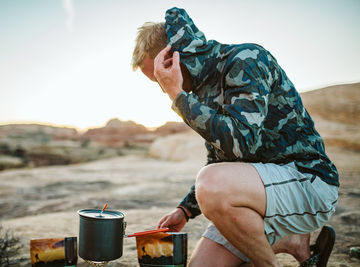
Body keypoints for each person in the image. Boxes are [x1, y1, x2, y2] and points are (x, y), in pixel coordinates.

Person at [132, 7, 339, 267]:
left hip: (307, 182)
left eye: (160, 79)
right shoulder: (201, 91)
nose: (163, 87)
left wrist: (177, 96)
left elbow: (241, 144)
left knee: (211, 183)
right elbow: (221, 162)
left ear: (173, 59)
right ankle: (291, 241)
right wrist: (185, 210)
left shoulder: (246, 59)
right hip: (261, 195)